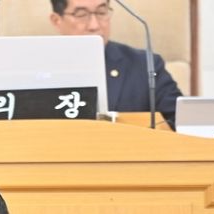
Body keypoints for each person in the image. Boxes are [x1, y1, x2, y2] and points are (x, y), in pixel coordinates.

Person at [49, 0, 183, 129]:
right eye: (81, 15)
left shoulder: (145, 64)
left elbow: (181, 121)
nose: (94, 25)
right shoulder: (41, 65)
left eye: (101, 12)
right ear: (56, 20)